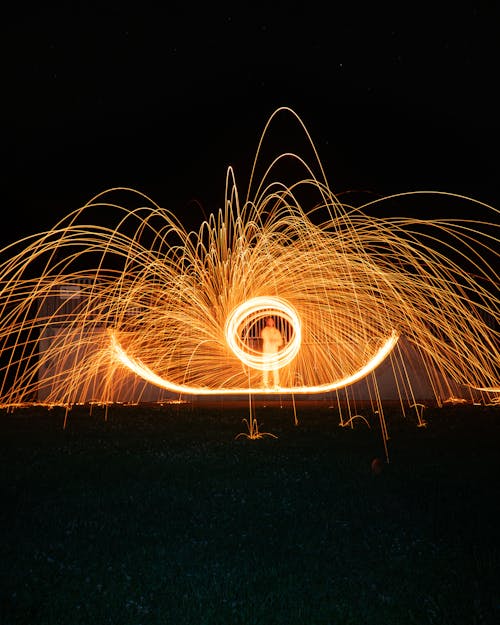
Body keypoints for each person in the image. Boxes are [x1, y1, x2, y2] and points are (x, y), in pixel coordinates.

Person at [260, 316, 283, 389]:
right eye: (269, 321)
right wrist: (273, 340)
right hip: (266, 352)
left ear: (273, 322)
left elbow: (280, 342)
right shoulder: (264, 331)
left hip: (274, 353)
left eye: (271, 321)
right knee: (265, 369)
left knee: (275, 369)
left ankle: (276, 384)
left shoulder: (276, 331)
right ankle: (265, 384)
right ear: (267, 322)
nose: (270, 322)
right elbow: (267, 339)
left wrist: (275, 341)